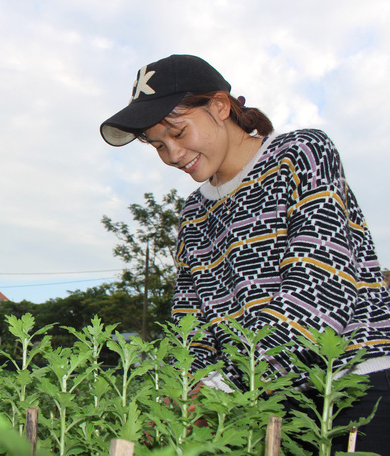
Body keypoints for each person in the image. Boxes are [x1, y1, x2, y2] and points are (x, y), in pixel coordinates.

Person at [100, 54, 390, 451]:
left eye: (179, 132)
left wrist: (217, 387)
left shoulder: (300, 153)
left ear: (219, 106)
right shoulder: (193, 213)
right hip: (256, 400)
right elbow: (191, 324)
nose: (172, 154)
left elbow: (321, 291)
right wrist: (178, 389)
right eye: (156, 144)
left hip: (350, 386)